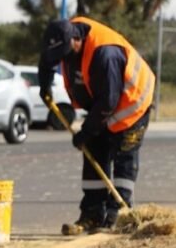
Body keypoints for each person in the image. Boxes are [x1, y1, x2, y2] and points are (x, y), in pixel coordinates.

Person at [37, 16, 155, 235]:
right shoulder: (61, 37)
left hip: (132, 104)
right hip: (102, 103)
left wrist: (86, 131)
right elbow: (47, 60)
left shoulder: (105, 54)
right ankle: (92, 214)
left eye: (64, 53)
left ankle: (118, 213)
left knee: (124, 157)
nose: (63, 59)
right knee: (93, 151)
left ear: (76, 40)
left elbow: (108, 101)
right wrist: (44, 85)